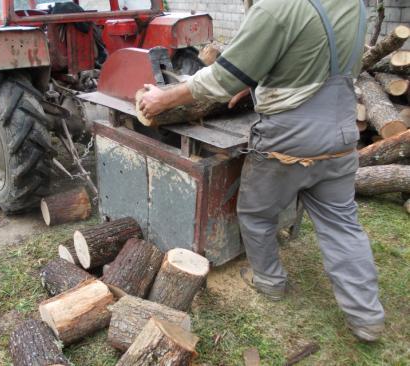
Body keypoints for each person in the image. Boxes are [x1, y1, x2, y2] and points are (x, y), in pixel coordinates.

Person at [138, 0, 385, 342]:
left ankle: (269, 282)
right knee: (342, 223)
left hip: (290, 138)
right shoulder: (355, 4)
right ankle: (367, 316)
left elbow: (221, 77)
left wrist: (163, 99)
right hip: (341, 130)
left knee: (256, 213)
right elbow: (310, 60)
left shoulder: (278, 7)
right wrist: (253, 81)